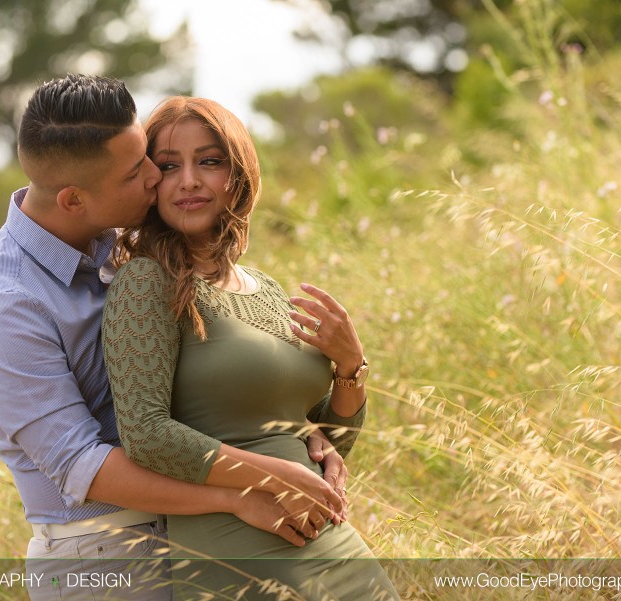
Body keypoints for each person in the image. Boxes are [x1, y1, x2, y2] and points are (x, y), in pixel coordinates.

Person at [0, 75, 349, 601]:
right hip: (108, 560)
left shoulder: (124, 243)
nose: (156, 180)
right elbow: (84, 468)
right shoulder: (1, 308)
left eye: (147, 158)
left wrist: (294, 431)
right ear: (74, 199)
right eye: (141, 170)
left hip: (200, 534)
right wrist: (239, 494)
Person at [102, 96, 399, 600]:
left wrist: (350, 365)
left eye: (210, 161)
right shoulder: (146, 281)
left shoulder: (266, 288)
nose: (190, 180)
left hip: (333, 544)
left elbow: (326, 443)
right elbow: (146, 435)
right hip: (238, 551)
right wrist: (275, 475)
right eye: (169, 166)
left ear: (238, 174)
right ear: (151, 184)